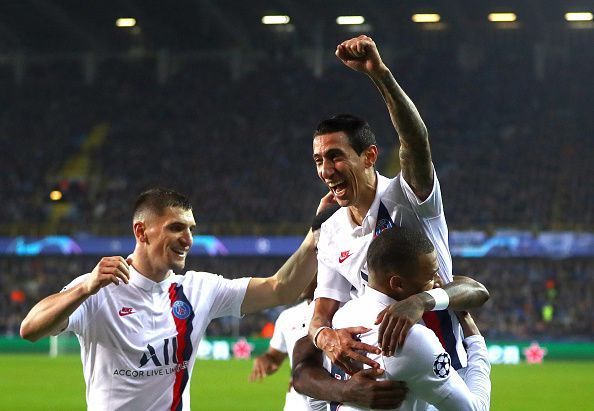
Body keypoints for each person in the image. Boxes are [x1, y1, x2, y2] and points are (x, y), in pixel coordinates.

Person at [20, 188, 354, 411]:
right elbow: (30, 329)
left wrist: (317, 235)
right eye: (177, 228)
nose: (188, 239)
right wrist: (83, 288)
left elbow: (280, 288)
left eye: (191, 228)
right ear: (142, 232)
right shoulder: (98, 289)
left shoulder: (198, 289)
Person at [309, 35, 489, 374]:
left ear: (369, 157)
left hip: (443, 371)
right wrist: (327, 338)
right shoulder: (331, 231)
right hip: (382, 379)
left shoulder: (408, 199)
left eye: (335, 157)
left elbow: (415, 144)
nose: (326, 170)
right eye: (318, 160)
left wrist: (379, 74)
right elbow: (321, 314)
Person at [293, 227, 491, 410]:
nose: (438, 282)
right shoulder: (412, 339)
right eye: (430, 276)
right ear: (397, 284)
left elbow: (313, 397)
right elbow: (474, 408)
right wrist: (474, 338)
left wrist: (343, 392)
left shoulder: (339, 320)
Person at [248, 206, 340, 411]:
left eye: (304, 274)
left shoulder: (342, 311)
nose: (297, 281)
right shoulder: (287, 317)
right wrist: (265, 360)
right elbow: (275, 355)